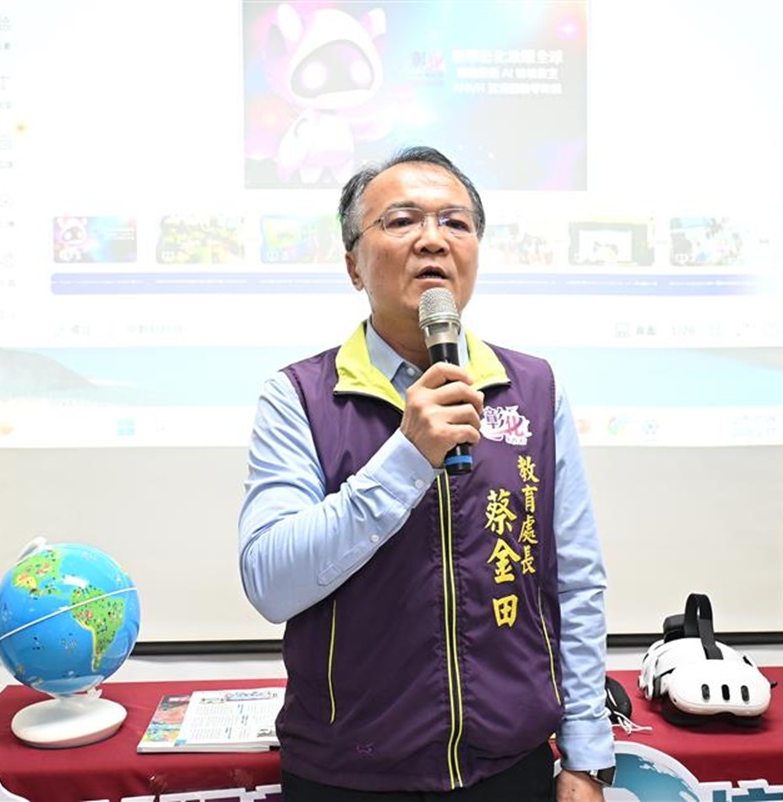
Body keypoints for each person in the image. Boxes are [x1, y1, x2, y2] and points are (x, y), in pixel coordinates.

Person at [239, 145, 613, 801]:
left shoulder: (534, 389)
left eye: (456, 222)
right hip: (347, 774)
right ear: (353, 264)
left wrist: (586, 753)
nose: (433, 240)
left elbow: (574, 580)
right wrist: (407, 456)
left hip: (509, 768)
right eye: (402, 220)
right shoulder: (299, 395)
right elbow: (271, 582)